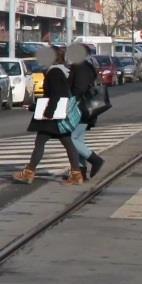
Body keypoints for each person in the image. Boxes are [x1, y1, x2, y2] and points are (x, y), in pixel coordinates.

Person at [12, 45, 84, 185]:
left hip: (52, 117)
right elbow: (56, 94)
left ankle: (29, 173)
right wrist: (34, 106)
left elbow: (58, 94)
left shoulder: (54, 72)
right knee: (66, 142)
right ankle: (76, 174)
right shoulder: (61, 71)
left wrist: (48, 113)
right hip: (56, 114)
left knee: (40, 142)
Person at [66, 42, 106, 179]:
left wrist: (71, 102)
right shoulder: (88, 66)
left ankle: (95, 159)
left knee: (71, 140)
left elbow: (79, 88)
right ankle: (80, 171)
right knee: (78, 139)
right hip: (87, 108)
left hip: (80, 109)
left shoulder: (80, 67)